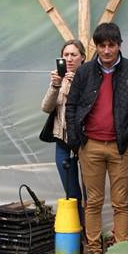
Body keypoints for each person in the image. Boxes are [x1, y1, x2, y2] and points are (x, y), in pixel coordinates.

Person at [66, 22, 128, 254]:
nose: (107, 50)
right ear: (96, 47)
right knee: (92, 202)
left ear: (119, 45)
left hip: (120, 147)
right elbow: (72, 106)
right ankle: (93, 253)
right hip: (90, 145)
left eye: (111, 45)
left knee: (120, 203)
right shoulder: (86, 71)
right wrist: (76, 138)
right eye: (102, 45)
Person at [41, 39, 86, 213]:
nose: (69, 59)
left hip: (84, 142)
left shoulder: (89, 77)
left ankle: (92, 236)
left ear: (82, 57)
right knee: (71, 192)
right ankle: (78, 234)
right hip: (62, 142)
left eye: (73, 55)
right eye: (65, 55)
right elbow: (46, 107)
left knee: (91, 192)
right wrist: (55, 85)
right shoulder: (59, 80)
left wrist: (77, 84)